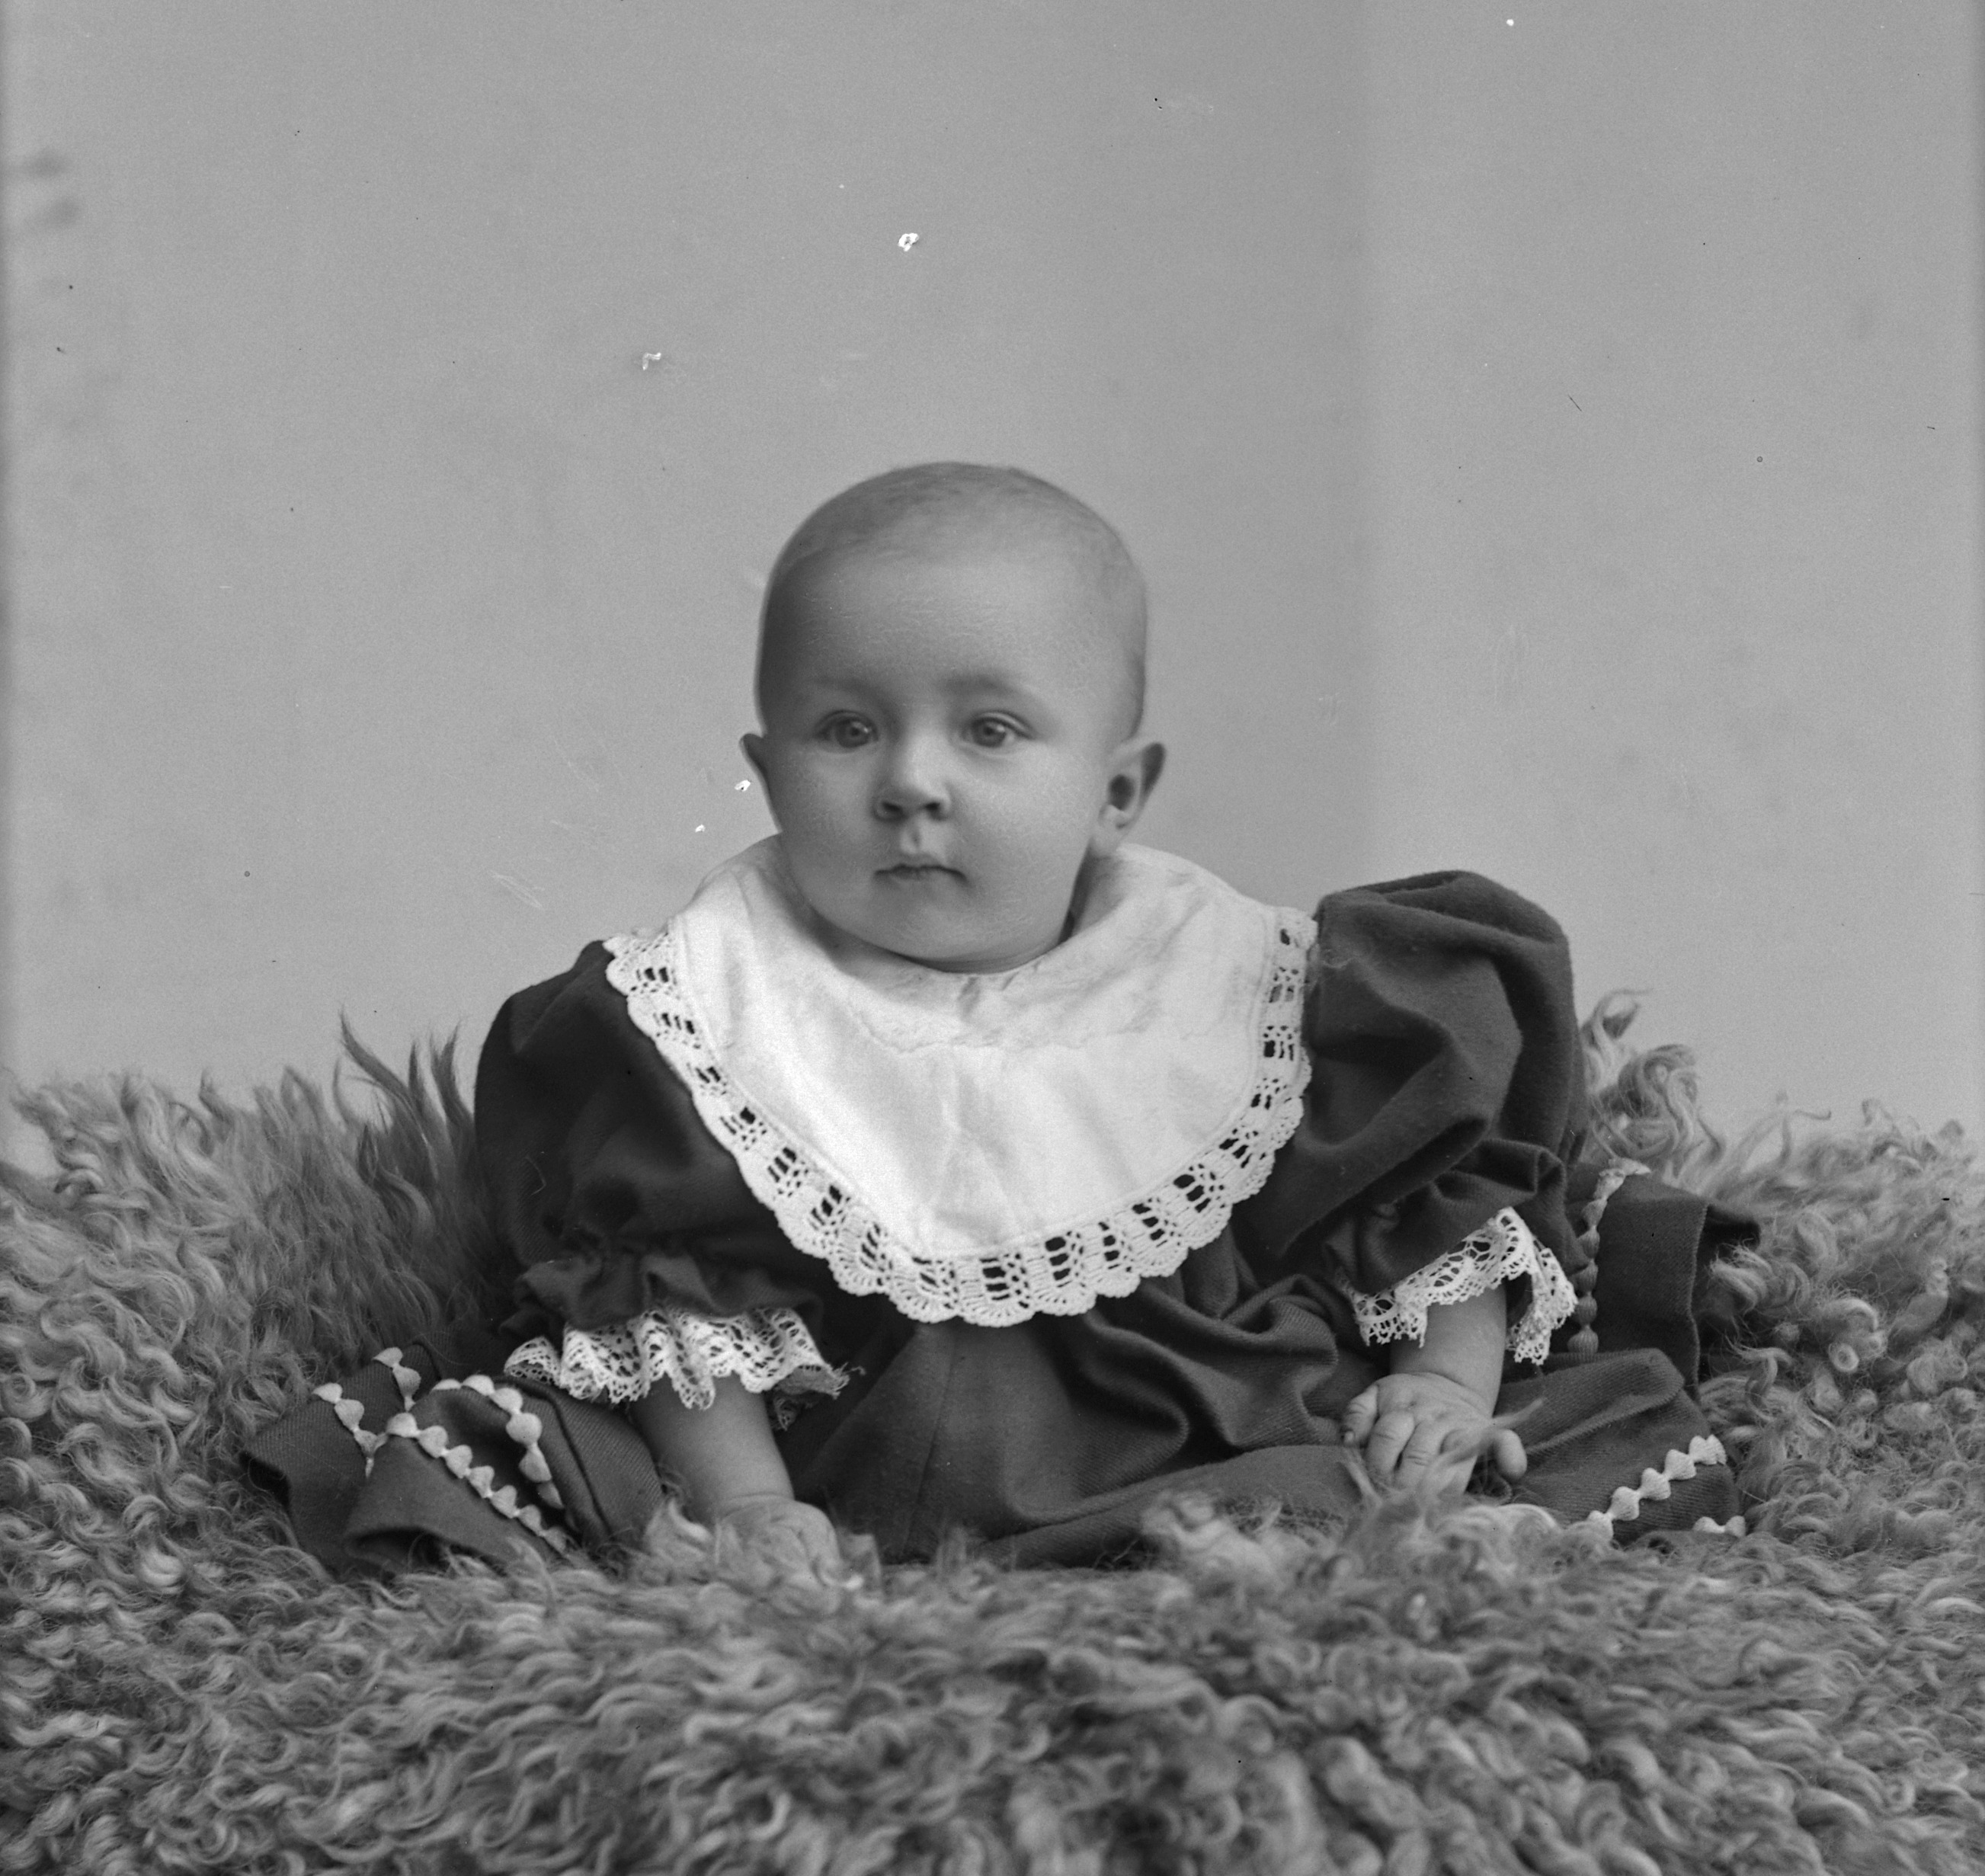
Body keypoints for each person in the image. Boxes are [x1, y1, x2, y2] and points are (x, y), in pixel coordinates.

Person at [248, 463, 1749, 1583]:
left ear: (1115, 790)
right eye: (848, 729)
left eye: (989, 729)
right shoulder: (697, 1014)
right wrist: (751, 1506)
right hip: (848, 1467)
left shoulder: (1259, 981)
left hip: (1220, 1429)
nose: (911, 781)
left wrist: (1440, 1383)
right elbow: (675, 1305)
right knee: (554, 1461)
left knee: (1381, 1503)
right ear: (766, 772)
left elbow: (1415, 1203)